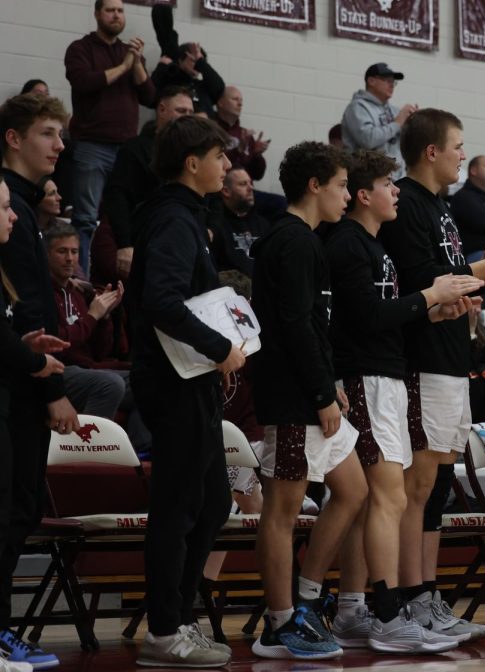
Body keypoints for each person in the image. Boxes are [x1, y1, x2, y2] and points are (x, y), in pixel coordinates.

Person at [378, 109, 485, 639]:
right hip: (420, 360)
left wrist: (475, 289)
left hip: (451, 357)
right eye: (459, 146)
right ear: (431, 152)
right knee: (417, 484)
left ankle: (428, 595)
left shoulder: (443, 208)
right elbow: (426, 281)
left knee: (439, 481)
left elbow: (451, 285)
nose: (463, 155)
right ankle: (407, 597)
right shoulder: (406, 204)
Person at [326, 149, 481, 654]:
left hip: (387, 376)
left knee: (374, 498)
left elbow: (387, 313)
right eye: (386, 185)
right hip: (368, 378)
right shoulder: (348, 243)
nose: (395, 191)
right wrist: (431, 296)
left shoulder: (375, 247)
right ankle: (383, 611)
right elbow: (366, 318)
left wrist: (432, 311)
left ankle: (352, 607)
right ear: (363, 195)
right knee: (387, 497)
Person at [127, 116, 241, 667]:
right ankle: (164, 630)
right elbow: (161, 302)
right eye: (219, 156)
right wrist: (221, 348)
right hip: (173, 381)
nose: (227, 165)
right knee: (177, 506)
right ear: (192, 162)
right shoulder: (173, 218)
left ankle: (178, 616)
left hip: (190, 377)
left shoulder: (188, 217)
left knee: (214, 501)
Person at [250, 142, 365, 660]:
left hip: (314, 389)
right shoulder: (292, 241)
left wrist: (332, 379)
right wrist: (321, 392)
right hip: (294, 397)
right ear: (315, 186)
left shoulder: (307, 241)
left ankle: (308, 598)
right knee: (282, 510)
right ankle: (279, 624)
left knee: (353, 489)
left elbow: (314, 325)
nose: (347, 195)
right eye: (342, 185)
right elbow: (294, 326)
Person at [0, 95, 77, 671]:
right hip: (18, 380)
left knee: (20, 508)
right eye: (48, 134)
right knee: (11, 508)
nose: (58, 146)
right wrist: (50, 386)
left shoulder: (26, 208)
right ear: (13, 138)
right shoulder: (12, 207)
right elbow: (19, 306)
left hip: (27, 372)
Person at [64, 0, 155, 271]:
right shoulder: (81, 48)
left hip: (127, 147)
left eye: (120, 11)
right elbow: (84, 82)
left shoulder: (128, 53)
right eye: (110, 10)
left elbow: (150, 96)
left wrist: (137, 62)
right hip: (93, 145)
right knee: (86, 218)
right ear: (97, 14)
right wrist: (124, 67)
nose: (116, 15)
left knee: (127, 216)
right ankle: (80, 280)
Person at [101, 86, 195, 281]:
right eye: (181, 111)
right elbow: (118, 196)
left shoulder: (192, 155)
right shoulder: (135, 149)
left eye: (190, 112)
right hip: (144, 239)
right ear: (162, 109)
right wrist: (125, 245)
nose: (187, 117)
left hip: (177, 240)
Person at [45, 223, 129, 416]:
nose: (69, 259)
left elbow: (100, 351)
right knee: (111, 384)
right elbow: (58, 342)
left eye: (74, 252)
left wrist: (105, 316)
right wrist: (92, 316)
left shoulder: (79, 293)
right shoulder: (44, 294)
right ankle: (87, 445)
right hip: (61, 371)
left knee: (152, 382)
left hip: (91, 368)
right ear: (47, 255)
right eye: (62, 251)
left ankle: (139, 446)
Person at [340, 63, 417, 177]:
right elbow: (368, 140)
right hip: (366, 179)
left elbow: (405, 144)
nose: (392, 85)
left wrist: (413, 124)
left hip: (395, 177)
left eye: (393, 82)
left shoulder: (394, 110)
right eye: (387, 81)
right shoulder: (357, 108)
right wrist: (397, 123)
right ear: (371, 81)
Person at [149, 5, 225, 118]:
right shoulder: (170, 80)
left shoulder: (201, 86)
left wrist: (201, 62)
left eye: (198, 61)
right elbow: (150, 96)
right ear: (181, 60)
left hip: (205, 133)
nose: (197, 65)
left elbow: (219, 88)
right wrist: (161, 68)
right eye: (192, 60)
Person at [212, 167, 270, 276]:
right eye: (243, 184)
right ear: (226, 191)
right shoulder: (216, 226)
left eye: (250, 183)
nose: (250, 187)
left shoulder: (263, 225)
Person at [214, 86, 269, 183]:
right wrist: (238, 149)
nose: (240, 104)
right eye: (235, 99)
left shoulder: (245, 134)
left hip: (245, 190)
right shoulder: (211, 130)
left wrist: (256, 155)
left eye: (241, 101)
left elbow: (257, 175)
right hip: (220, 190)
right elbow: (215, 167)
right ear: (220, 103)